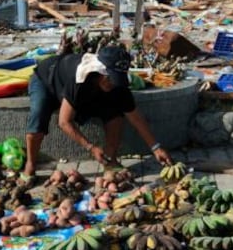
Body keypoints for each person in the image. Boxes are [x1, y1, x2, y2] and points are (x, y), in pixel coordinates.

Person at [23, 45, 173, 178]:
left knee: (116, 116)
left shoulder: (117, 86)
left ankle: (110, 162)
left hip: (84, 93)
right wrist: (91, 147)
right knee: (38, 119)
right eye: (108, 78)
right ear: (100, 71)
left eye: (115, 79)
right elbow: (64, 122)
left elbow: (135, 118)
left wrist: (156, 147)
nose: (112, 83)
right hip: (46, 80)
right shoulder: (80, 78)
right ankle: (30, 166)